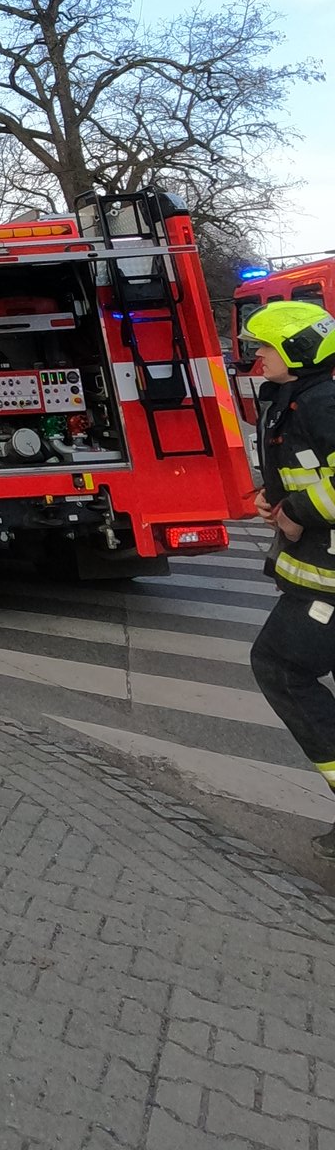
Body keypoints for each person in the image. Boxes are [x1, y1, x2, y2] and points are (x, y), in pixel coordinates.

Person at [242, 300, 335, 859]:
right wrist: (272, 497)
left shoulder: (324, 401)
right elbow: (309, 467)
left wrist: (298, 510)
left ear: (297, 350)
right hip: (321, 576)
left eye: (266, 345)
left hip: (329, 582)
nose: (257, 353)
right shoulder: (299, 395)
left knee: (279, 666)